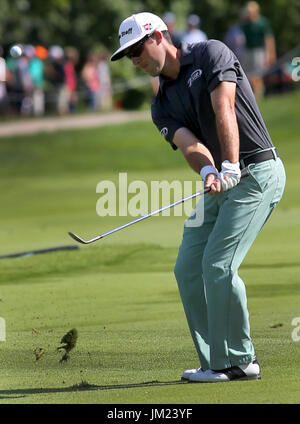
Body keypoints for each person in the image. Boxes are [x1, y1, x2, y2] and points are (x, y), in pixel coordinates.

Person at [110, 12, 285, 383]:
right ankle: (214, 361)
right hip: (222, 179)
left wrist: (230, 163)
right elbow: (189, 144)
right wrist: (209, 171)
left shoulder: (210, 54)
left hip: (256, 172)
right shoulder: (160, 105)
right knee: (188, 268)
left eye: (138, 49)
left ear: (159, 36)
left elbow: (224, 107)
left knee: (218, 264)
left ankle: (241, 359)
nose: (135, 59)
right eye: (128, 55)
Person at [240, 1, 276, 98]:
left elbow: (269, 39)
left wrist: (270, 54)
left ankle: (258, 96)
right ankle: (252, 95)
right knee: (248, 74)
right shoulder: (245, 24)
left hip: (259, 51)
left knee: (257, 75)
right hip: (248, 51)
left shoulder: (262, 23)